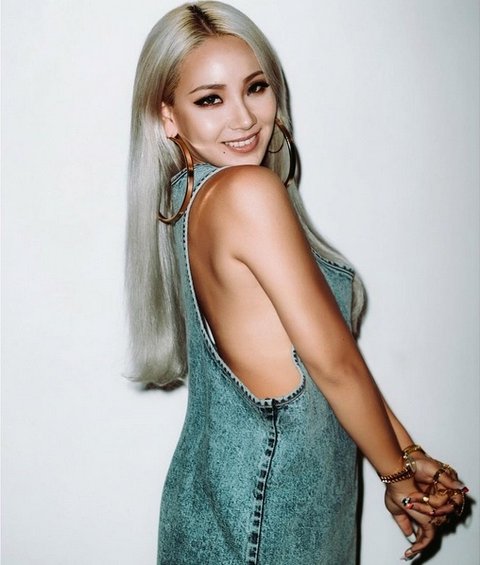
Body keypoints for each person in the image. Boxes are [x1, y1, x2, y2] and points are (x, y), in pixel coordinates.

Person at [126, 2, 468, 563]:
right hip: (265, 519)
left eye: (255, 88)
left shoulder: (193, 196)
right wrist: (396, 477)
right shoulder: (246, 194)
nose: (243, 118)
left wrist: (407, 454)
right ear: (168, 117)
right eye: (210, 99)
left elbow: (326, 357)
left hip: (246, 510)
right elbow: (333, 362)